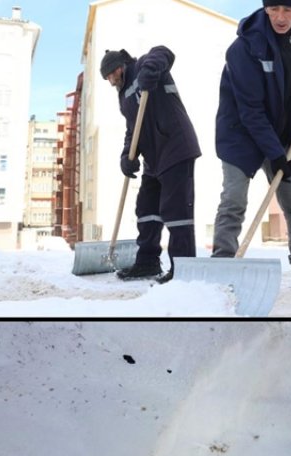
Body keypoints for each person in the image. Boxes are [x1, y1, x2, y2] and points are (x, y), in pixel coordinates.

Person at [210, 0, 291, 292]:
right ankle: (221, 266)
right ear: (266, 9)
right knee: (234, 200)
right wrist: (276, 153)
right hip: (241, 132)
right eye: (274, 9)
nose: (281, 17)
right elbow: (250, 110)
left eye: (288, 10)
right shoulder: (244, 48)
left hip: (282, 133)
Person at [100, 47, 201, 283]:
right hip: (153, 158)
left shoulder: (143, 65)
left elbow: (164, 52)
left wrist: (149, 72)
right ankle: (147, 262)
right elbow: (131, 129)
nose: (110, 82)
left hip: (175, 146)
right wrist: (127, 156)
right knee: (146, 210)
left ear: (118, 68)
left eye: (110, 76)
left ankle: (183, 268)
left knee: (176, 212)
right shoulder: (123, 96)